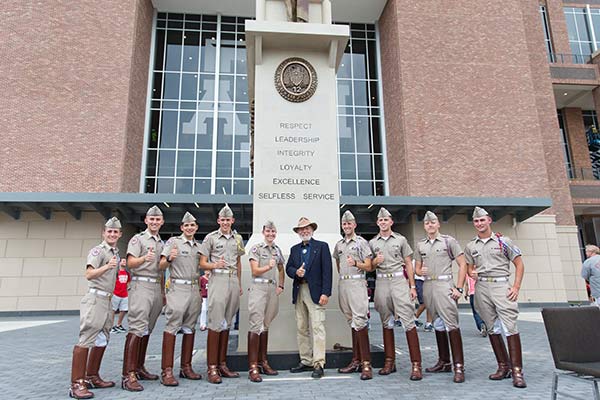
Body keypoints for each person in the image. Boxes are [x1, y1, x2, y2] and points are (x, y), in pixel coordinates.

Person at [464, 206, 527, 389]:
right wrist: (472, 272)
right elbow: (469, 267)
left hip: (501, 285)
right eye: (476, 221)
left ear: (489, 220)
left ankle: (517, 371)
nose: (479, 223)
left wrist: (516, 286)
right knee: (492, 327)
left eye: (482, 220)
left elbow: (519, 264)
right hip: (482, 287)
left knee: (510, 326)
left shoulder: (503, 241)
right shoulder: (471, 245)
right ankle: (503, 366)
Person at [69, 217, 122, 399]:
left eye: (115, 232)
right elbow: (89, 274)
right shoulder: (98, 251)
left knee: (102, 338)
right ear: (104, 233)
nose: (112, 234)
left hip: (108, 300)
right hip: (95, 298)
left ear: (120, 234)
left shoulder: (116, 253)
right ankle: (76, 383)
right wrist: (107, 266)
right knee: (87, 337)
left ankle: (92, 376)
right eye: (109, 231)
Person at [369, 207, 422, 380]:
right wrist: (375, 261)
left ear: (391, 222)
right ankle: (389, 361)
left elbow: (408, 263)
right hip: (381, 281)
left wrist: (412, 286)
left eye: (386, 220)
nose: (383, 222)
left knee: (408, 319)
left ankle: (416, 364)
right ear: (377, 223)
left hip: (399, 280)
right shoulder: (373, 243)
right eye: (380, 220)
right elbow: (369, 266)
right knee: (386, 321)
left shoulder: (400, 240)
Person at [414, 211, 467, 383]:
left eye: (433, 222)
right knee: (437, 323)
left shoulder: (448, 241)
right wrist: (418, 271)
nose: (430, 225)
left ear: (438, 224)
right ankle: (444, 361)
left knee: (451, 323)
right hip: (428, 285)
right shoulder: (420, 244)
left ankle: (459, 366)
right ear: (424, 226)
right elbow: (417, 268)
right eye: (427, 223)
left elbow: (462, 263)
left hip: (445, 284)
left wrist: (459, 287)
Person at [199, 204, 245, 384]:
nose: (225, 223)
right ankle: (212, 367)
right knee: (216, 321)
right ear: (218, 221)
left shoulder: (238, 238)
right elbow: (202, 263)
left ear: (233, 221)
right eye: (223, 220)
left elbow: (239, 262)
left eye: (228, 220)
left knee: (228, 321)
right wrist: (214, 266)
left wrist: (239, 283)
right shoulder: (211, 238)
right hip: (217, 278)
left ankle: (222, 364)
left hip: (233, 279)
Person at [122, 205, 165, 391]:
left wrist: (163, 293)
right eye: (151, 219)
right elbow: (130, 262)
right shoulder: (138, 239)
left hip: (156, 286)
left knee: (147, 328)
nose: (154, 222)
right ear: (146, 221)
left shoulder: (162, 243)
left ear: (162, 222)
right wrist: (143, 259)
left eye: (158, 219)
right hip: (141, 285)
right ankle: (128, 374)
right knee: (137, 327)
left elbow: (162, 271)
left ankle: (139, 368)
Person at [158, 212, 203, 386]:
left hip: (194, 289)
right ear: (182, 228)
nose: (190, 228)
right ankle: (167, 371)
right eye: (186, 225)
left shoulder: (198, 247)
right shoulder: (173, 242)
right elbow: (161, 265)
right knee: (172, 326)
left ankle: (186, 367)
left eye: (192, 225)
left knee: (190, 328)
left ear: (196, 227)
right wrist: (169, 258)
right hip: (177, 288)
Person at [286, 217, 332, 379]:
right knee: (301, 327)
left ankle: (319, 363)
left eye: (307, 228)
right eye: (301, 229)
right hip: (299, 290)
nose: (304, 231)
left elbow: (327, 272)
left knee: (318, 327)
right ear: (298, 232)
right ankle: (306, 360)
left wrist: (326, 292)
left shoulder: (322, 247)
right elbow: (288, 268)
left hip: (316, 292)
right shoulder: (294, 249)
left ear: (312, 230)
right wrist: (295, 272)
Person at [334, 210, 374, 380]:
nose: (347, 226)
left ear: (355, 225)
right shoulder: (339, 244)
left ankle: (366, 364)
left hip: (357, 283)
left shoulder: (362, 242)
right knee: (351, 320)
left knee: (360, 319)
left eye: (349, 223)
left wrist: (356, 263)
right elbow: (337, 261)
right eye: (344, 224)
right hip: (344, 283)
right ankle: (356, 360)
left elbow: (370, 266)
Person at [247, 220, 286, 382]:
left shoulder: (277, 250)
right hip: (258, 288)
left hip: (271, 289)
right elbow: (255, 271)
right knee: (256, 325)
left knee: (266, 324)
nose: (271, 234)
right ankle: (253, 366)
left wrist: (281, 285)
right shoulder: (256, 249)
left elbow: (281, 268)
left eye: (273, 232)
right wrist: (268, 267)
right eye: (268, 231)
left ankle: (264, 362)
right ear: (263, 232)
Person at [111, 261, 130, 333]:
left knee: (124, 310)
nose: (124, 262)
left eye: (125, 261)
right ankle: (111, 326)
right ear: (119, 263)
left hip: (124, 294)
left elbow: (128, 282)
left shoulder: (127, 273)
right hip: (116, 293)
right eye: (123, 261)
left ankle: (119, 325)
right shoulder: (116, 273)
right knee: (113, 310)